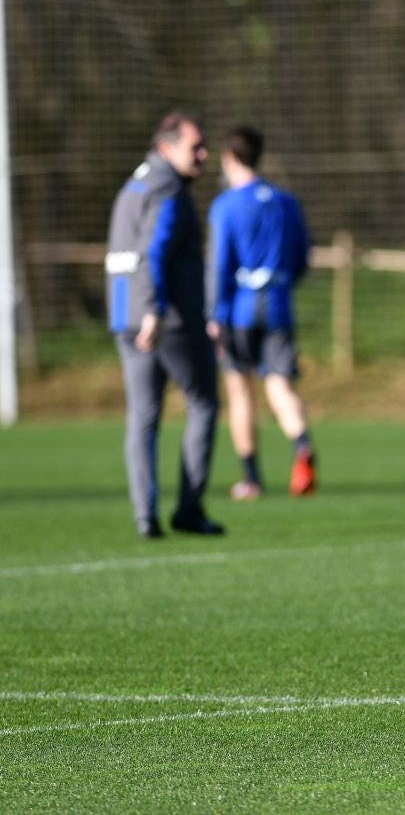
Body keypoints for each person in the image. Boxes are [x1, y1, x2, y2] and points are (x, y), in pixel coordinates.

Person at [105, 111, 223, 539]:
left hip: (124, 315)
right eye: (196, 147)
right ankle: (189, 508)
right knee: (204, 402)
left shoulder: (134, 184)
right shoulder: (167, 189)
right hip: (165, 317)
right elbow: (152, 252)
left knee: (143, 416)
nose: (204, 155)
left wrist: (137, 312)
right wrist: (154, 309)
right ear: (166, 147)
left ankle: (144, 515)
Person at [207, 125, 317, 501]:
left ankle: (251, 478)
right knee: (280, 384)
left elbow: (220, 264)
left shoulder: (226, 205)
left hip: (239, 310)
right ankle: (302, 445)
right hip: (278, 305)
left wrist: (214, 313)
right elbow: (303, 256)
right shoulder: (286, 202)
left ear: (230, 159)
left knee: (240, 391)